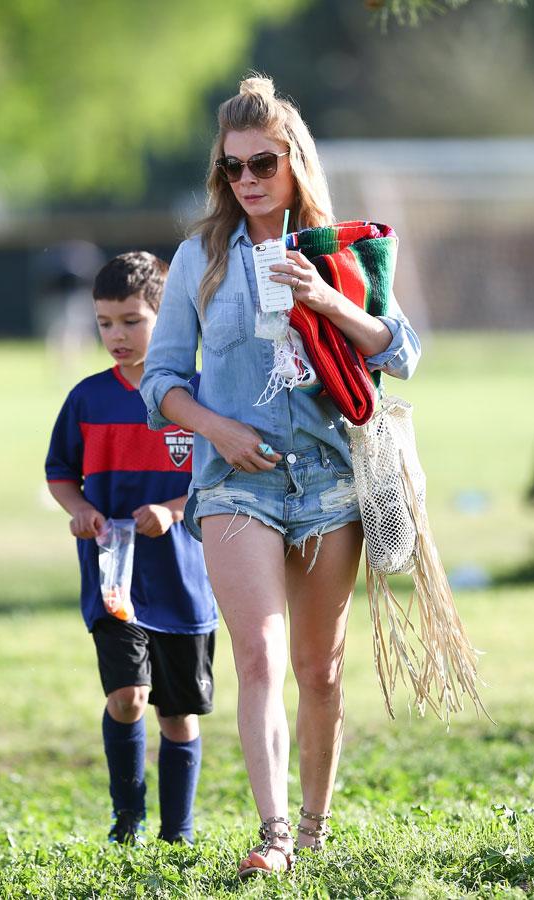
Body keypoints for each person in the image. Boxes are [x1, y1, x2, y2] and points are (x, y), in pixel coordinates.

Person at [141, 76, 421, 876]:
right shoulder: (201, 254)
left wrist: (326, 299)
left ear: (294, 160)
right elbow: (160, 381)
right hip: (235, 484)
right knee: (257, 655)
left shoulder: (342, 248)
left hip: (331, 480)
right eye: (233, 167)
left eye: (264, 161)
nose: (249, 179)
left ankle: (314, 825)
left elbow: (400, 353)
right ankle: (271, 837)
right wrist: (217, 429)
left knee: (318, 668)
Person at [45, 251, 217, 845]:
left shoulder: (198, 394)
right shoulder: (87, 400)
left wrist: (172, 513)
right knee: (127, 697)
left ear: (164, 316)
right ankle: (128, 821)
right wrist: (83, 511)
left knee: (177, 713)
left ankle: (179, 834)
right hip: (113, 578)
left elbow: (221, 480)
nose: (116, 335)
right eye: (104, 323)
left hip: (186, 581)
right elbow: (61, 473)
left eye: (131, 321)